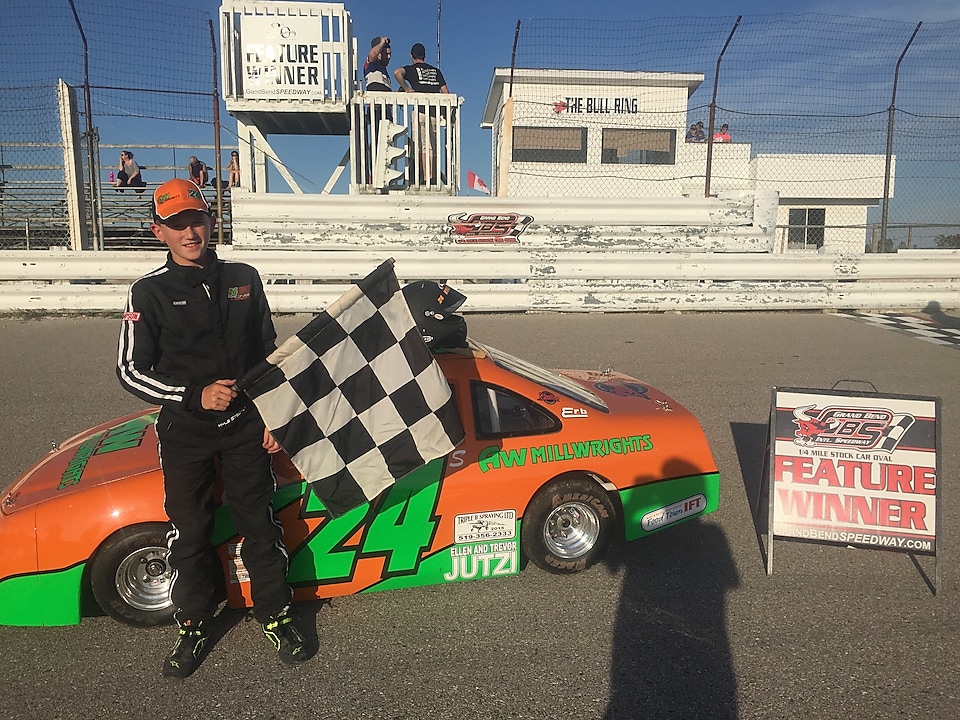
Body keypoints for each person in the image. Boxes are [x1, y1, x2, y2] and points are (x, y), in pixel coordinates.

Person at [116, 178, 312, 679]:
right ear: (159, 231)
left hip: (247, 423)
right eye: (176, 224)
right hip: (186, 429)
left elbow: (270, 352)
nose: (190, 231)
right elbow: (129, 370)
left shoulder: (244, 275)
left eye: (196, 219)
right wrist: (192, 395)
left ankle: (276, 614)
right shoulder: (148, 291)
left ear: (210, 221)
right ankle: (194, 623)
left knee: (259, 524)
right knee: (190, 532)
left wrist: (274, 411)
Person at [394, 43, 450, 184]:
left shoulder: (412, 69)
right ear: (424, 56)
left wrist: (407, 88)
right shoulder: (435, 71)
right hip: (434, 113)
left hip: (420, 112)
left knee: (421, 146)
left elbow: (397, 73)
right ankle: (434, 176)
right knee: (433, 145)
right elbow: (446, 92)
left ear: (412, 56)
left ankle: (425, 177)